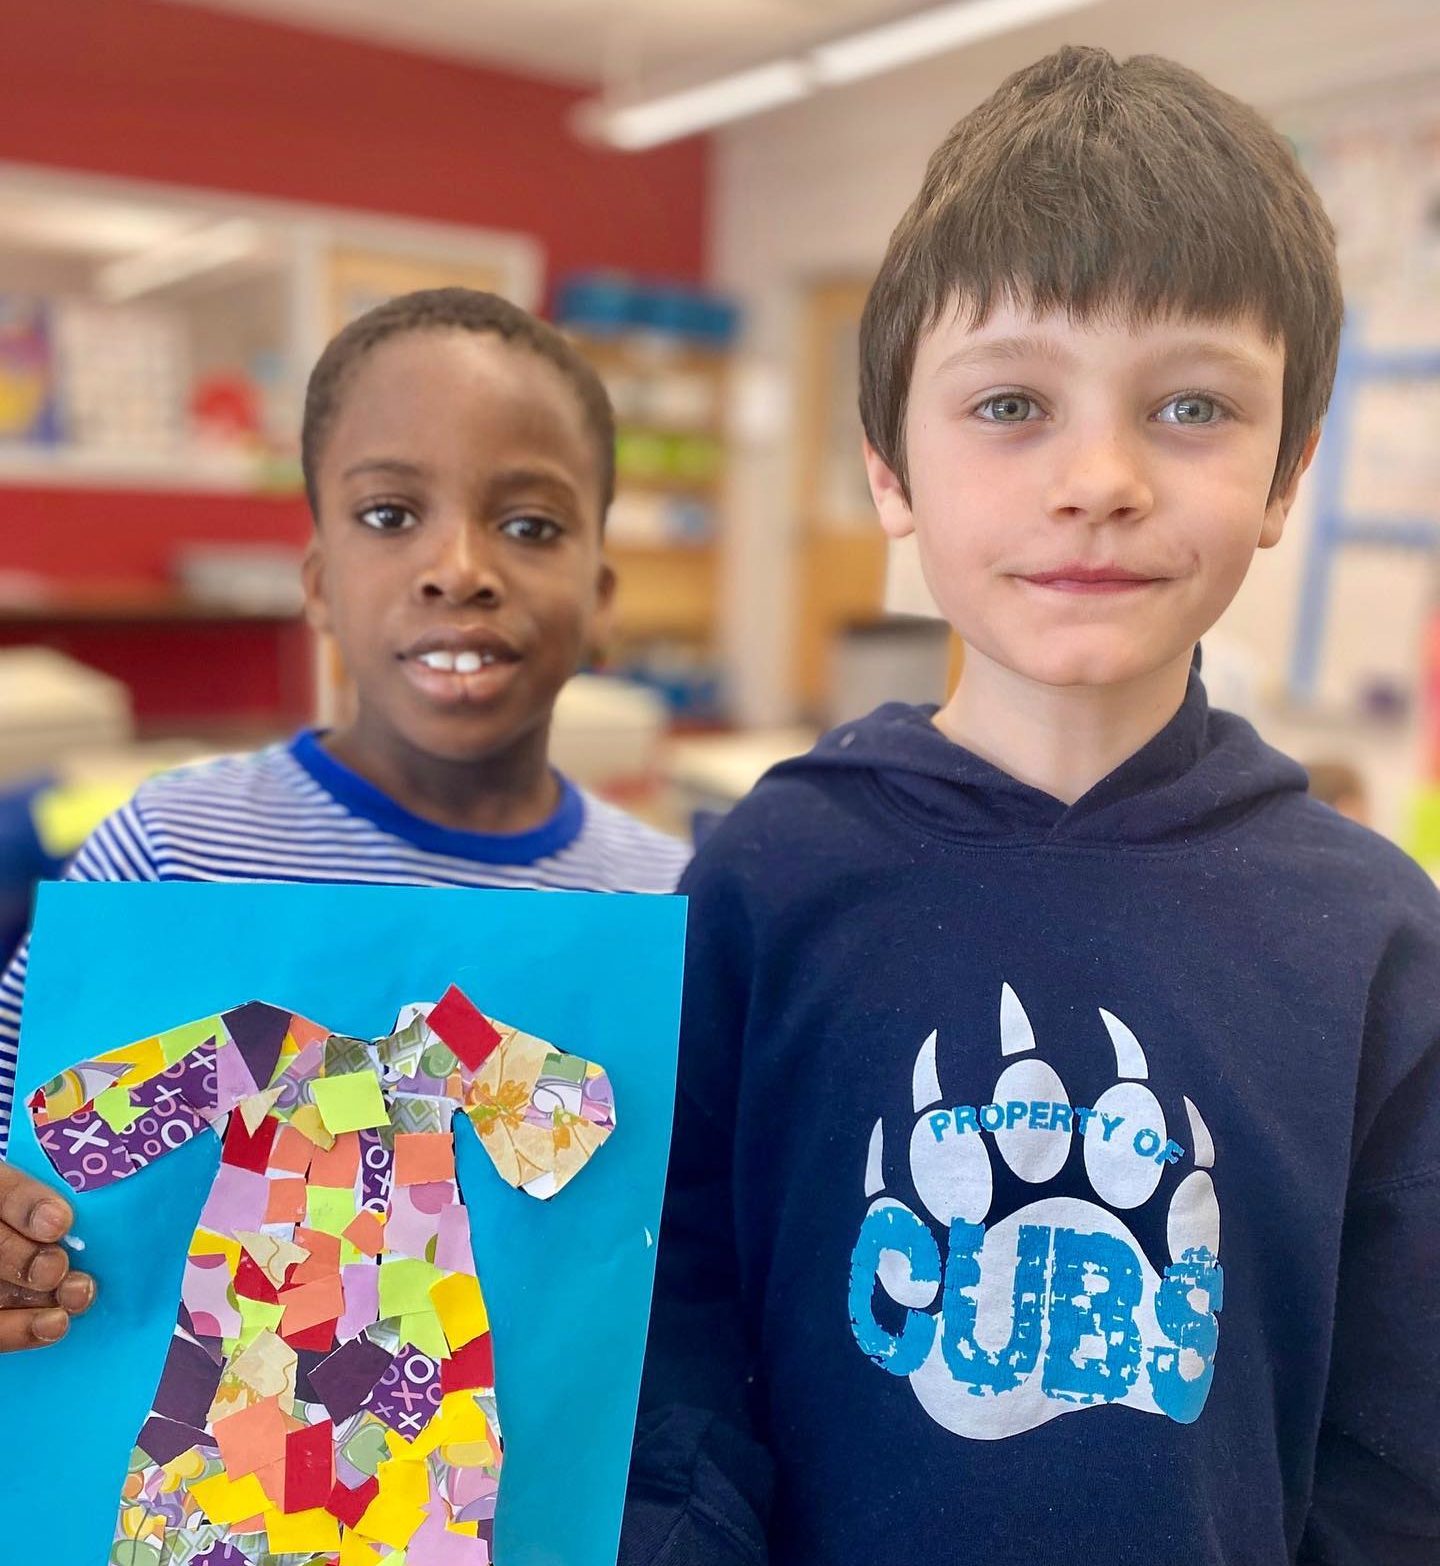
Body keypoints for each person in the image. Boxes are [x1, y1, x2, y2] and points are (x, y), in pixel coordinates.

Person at [621, 47, 1439, 1566]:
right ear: (890, 468)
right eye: (1011, 401)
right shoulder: (764, 878)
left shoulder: (1378, 936)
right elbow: (671, 1336)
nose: (1102, 477)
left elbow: (1405, 1444)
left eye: (1192, 404)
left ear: (1285, 473)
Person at [0, 287, 690, 1353]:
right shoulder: (171, 853)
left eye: (529, 525)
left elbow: (653, 1223)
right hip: (225, 1444)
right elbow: (31, 1132)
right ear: (318, 583)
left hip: (474, 1465)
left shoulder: (666, 901)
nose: (459, 568)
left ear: (600, 597)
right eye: (388, 516)